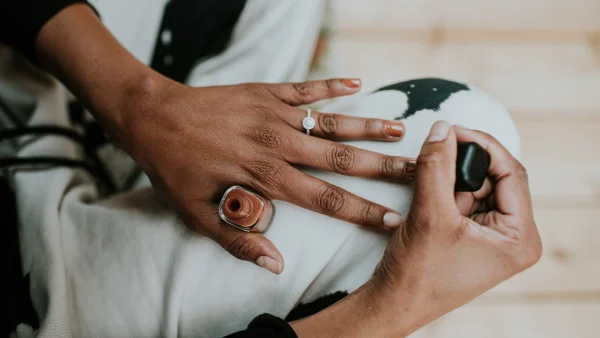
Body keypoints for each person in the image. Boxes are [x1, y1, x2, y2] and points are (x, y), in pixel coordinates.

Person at [1, 1, 542, 337]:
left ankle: (168, 167)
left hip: (42, 283)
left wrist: (140, 106)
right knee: (455, 125)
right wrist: (388, 311)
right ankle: (166, 169)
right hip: (59, 245)